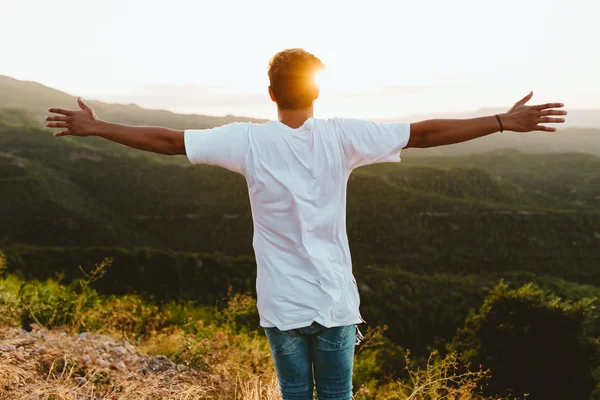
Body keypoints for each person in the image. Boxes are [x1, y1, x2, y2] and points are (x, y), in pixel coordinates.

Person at [45, 48, 566, 400]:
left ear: (270, 94)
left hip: (282, 305)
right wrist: (501, 121)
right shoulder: (343, 136)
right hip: (336, 302)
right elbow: (425, 133)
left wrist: (97, 128)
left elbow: (166, 141)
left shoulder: (246, 141)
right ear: (315, 93)